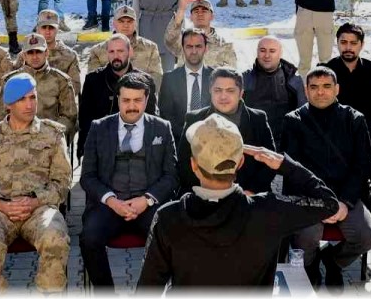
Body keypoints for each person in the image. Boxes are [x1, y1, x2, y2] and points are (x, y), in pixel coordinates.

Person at [137, 114, 340, 289]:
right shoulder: (269, 211)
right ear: (241, 162)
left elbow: (148, 288)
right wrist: (284, 164)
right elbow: (328, 203)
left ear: (193, 165)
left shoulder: (167, 217)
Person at [0, 74, 71, 293]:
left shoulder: (52, 134)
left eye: (33, 98)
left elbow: (62, 181)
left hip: (40, 208)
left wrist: (35, 202)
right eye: (22, 99)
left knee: (55, 238)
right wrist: (1, 204)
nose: (29, 104)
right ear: (8, 104)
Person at [279, 67, 371, 289]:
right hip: (309, 199)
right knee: (304, 237)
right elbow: (292, 169)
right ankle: (310, 266)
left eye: (326, 87)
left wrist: (345, 202)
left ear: (337, 89)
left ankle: (333, 261)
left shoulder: (354, 119)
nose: (320, 92)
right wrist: (321, 203)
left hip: (346, 197)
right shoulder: (293, 121)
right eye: (314, 87)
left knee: (366, 235)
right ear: (306, 90)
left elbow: (362, 166)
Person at [79, 74, 178, 290]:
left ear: (146, 99)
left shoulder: (162, 128)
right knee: (89, 239)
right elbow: (87, 177)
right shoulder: (99, 127)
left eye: (137, 100)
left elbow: (171, 175)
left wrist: (147, 199)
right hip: (109, 205)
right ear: (118, 99)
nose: (131, 106)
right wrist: (111, 201)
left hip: (148, 205)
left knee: (171, 236)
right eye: (126, 100)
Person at [176, 68, 276, 195]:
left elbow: (269, 161)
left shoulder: (258, 119)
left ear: (241, 93)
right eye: (218, 90)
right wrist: (206, 191)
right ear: (210, 91)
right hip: (203, 196)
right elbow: (184, 162)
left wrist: (251, 191)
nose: (223, 96)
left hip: (247, 199)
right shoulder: (194, 118)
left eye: (230, 91)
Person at [78, 34, 160, 156]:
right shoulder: (93, 80)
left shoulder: (146, 81)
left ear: (130, 52)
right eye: (112, 51)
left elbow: (151, 118)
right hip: (102, 146)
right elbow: (85, 120)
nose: (116, 56)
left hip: (137, 146)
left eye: (120, 51)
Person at [3, 33, 78, 136]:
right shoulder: (10, 80)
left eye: (38, 52)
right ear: (24, 55)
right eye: (30, 52)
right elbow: (1, 114)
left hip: (50, 139)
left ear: (46, 53)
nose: (35, 57)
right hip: (16, 138)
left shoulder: (61, 80)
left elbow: (69, 117)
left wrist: (51, 133)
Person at [323, 22, 371, 138]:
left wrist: (363, 130)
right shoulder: (326, 70)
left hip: (366, 133)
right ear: (337, 43)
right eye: (343, 42)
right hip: (333, 135)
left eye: (353, 43)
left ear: (361, 45)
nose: (348, 48)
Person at [82, 5, 165, 87]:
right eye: (121, 21)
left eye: (129, 21)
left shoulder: (150, 48)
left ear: (135, 24)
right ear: (114, 23)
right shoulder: (97, 51)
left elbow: (157, 78)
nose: (126, 25)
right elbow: (93, 82)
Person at [158, 28, 216, 140]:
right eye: (189, 46)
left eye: (198, 46)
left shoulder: (216, 78)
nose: (194, 51)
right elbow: (165, 115)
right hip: (179, 138)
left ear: (206, 48)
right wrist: (187, 135)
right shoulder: (170, 79)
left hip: (210, 138)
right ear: (183, 49)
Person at [241, 35, 303, 137]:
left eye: (272, 51)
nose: (267, 55)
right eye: (263, 50)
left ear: (280, 53)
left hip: (286, 140)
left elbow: (303, 114)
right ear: (257, 52)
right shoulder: (245, 79)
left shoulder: (293, 80)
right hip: (254, 141)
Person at [163, 0, 238, 70]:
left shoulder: (224, 46)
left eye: (204, 11)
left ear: (212, 16)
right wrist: (181, 10)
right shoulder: (183, 39)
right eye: (196, 11)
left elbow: (231, 76)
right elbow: (170, 39)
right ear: (191, 17)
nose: (200, 14)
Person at [37, 10, 83, 95]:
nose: (47, 32)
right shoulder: (28, 54)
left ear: (57, 29)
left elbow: (75, 87)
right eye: (44, 27)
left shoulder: (69, 56)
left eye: (51, 27)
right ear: (38, 29)